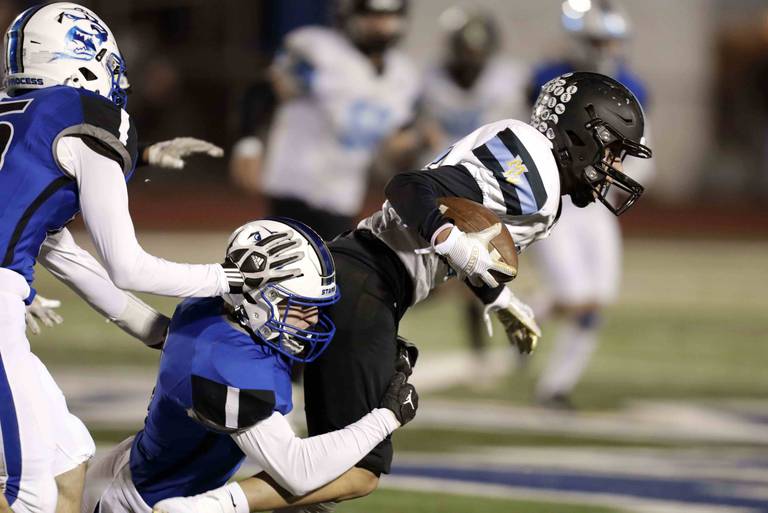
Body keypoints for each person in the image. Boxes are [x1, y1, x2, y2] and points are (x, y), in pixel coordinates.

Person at [160, 71, 653, 513]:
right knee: (355, 472)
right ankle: (206, 508)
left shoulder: (535, 168)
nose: (614, 166)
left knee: (320, 472)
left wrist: (496, 297)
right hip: (368, 284)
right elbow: (411, 187)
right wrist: (452, 244)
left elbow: (464, 229)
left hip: (358, 273)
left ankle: (180, 495)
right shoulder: (536, 171)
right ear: (581, 136)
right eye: (612, 149)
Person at [0, 4, 258, 512]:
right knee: (26, 493)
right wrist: (229, 279)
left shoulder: (18, 119)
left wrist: (158, 331)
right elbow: (128, 266)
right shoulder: (89, 117)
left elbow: (64, 253)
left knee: (67, 459)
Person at [81, 219, 419, 513]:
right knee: (354, 478)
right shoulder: (230, 372)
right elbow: (298, 472)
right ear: (258, 299)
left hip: (139, 477)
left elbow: (158, 330)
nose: (314, 319)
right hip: (139, 502)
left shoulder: (209, 312)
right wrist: (388, 416)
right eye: (299, 306)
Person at [528, 0, 655, 408]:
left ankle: (555, 388)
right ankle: (512, 313)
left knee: (593, 303)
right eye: (597, 40)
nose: (605, 49)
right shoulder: (550, 80)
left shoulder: (634, 86)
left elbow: (640, 150)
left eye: (611, 41)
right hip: (558, 197)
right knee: (575, 297)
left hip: (598, 204)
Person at [229, 0, 422, 240]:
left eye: (388, 17)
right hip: (295, 185)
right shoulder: (320, 52)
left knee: (330, 271)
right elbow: (261, 93)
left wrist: (408, 150)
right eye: (371, 16)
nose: (380, 26)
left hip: (343, 195)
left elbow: (400, 138)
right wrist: (248, 145)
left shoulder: (403, 75)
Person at [419, 6, 529, 372]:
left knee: (481, 269)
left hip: (489, 187)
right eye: (466, 48)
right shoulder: (429, 81)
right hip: (441, 183)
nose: (471, 56)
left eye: (477, 49)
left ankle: (491, 349)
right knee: (439, 274)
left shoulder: (511, 80)